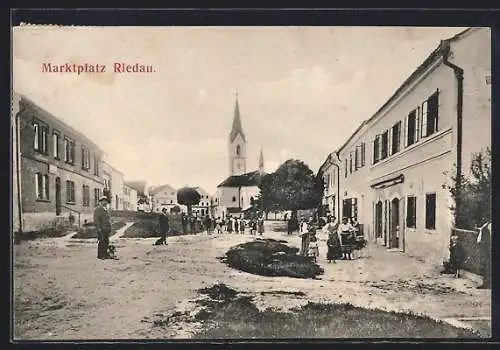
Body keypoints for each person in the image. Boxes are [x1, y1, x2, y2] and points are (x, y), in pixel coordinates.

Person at [476, 218, 491, 289]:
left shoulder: (487, 227)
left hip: (487, 248)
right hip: (485, 248)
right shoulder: (484, 227)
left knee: (487, 265)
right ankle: (486, 283)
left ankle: (487, 283)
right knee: (485, 265)